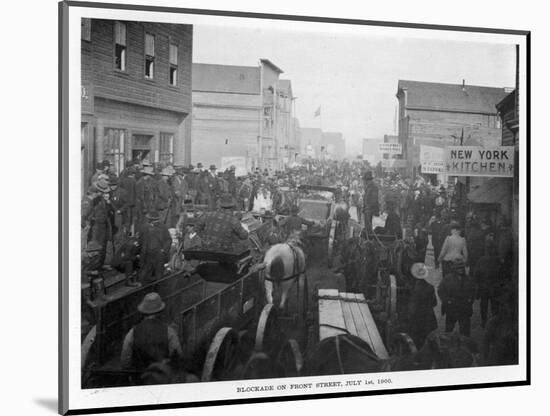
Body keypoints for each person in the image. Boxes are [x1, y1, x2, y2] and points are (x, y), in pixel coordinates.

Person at [120, 292, 183, 373]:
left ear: (143, 312)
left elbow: (125, 362)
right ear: (160, 312)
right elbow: (177, 359)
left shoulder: (132, 333)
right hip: (162, 379)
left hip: (140, 379)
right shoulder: (170, 332)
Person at [437, 262, 475, 336]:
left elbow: (473, 291)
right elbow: (440, 291)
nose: (460, 270)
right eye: (458, 268)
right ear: (454, 269)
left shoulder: (468, 279)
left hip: (464, 309)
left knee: (465, 331)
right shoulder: (447, 279)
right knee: (449, 330)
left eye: (462, 268)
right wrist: (447, 301)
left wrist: (470, 300)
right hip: (452, 309)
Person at [407, 263, 438, 349]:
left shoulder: (415, 290)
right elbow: (434, 303)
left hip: (418, 321)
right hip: (429, 319)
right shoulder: (430, 287)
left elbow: (412, 309)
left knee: (417, 343)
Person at [473, 238, 501, 328]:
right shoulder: (498, 260)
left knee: (484, 305)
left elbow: (476, 274)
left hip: (484, 286)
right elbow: (501, 274)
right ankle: (493, 323)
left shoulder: (481, 260)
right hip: (494, 286)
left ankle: (484, 322)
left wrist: (476, 284)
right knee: (494, 305)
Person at [138, 211, 172, 284]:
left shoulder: (163, 227)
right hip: (147, 254)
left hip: (158, 254)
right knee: (145, 275)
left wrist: (163, 250)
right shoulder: (144, 227)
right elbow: (140, 240)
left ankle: (158, 290)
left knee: (159, 274)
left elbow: (168, 239)